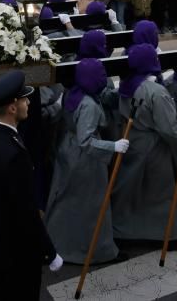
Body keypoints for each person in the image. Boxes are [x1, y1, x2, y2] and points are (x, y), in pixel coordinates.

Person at [0, 70, 60, 300]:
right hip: (17, 248)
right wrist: (50, 251)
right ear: (12, 108)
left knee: (1, 289)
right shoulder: (15, 155)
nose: (29, 102)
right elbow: (27, 211)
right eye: (24, 99)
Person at [45, 59, 129, 264]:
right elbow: (86, 141)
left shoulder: (73, 93)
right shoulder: (89, 105)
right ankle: (97, 251)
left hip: (69, 151)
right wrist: (113, 146)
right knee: (92, 206)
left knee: (67, 202)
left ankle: (56, 245)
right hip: (86, 160)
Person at [112, 44, 177, 243]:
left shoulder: (126, 85)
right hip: (155, 148)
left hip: (133, 141)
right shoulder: (156, 91)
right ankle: (167, 235)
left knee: (135, 192)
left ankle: (127, 231)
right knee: (161, 195)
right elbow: (168, 129)